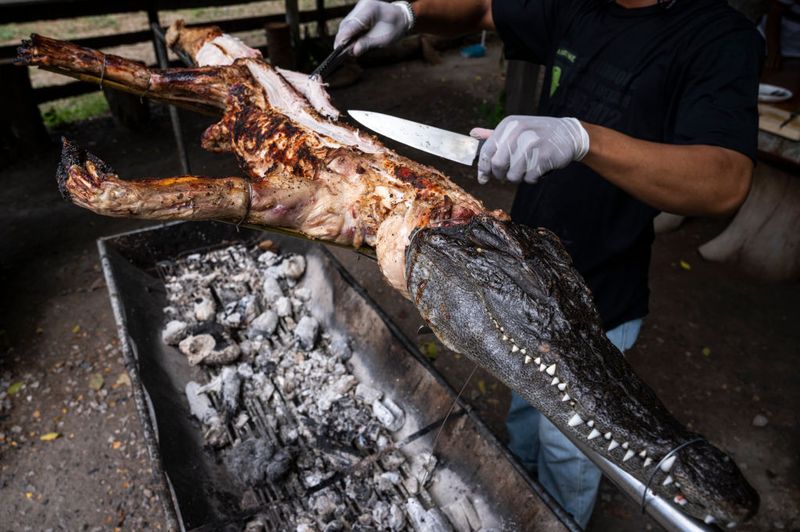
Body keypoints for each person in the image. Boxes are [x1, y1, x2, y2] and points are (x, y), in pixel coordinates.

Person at [335, 0, 763, 526]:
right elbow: (487, 9)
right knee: (524, 414)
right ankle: (516, 497)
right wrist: (407, 11)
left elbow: (725, 181)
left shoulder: (718, 36)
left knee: (573, 449)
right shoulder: (578, 4)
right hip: (521, 281)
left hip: (601, 295)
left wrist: (583, 139)